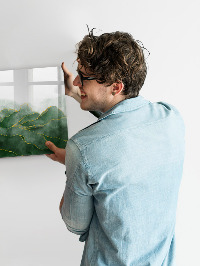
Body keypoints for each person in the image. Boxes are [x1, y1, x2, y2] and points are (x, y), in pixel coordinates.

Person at [45, 30, 185, 265]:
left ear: (116, 87)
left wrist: (73, 163)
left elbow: (74, 224)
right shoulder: (171, 118)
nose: (77, 81)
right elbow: (124, 125)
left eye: (84, 77)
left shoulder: (82, 149)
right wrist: (78, 94)